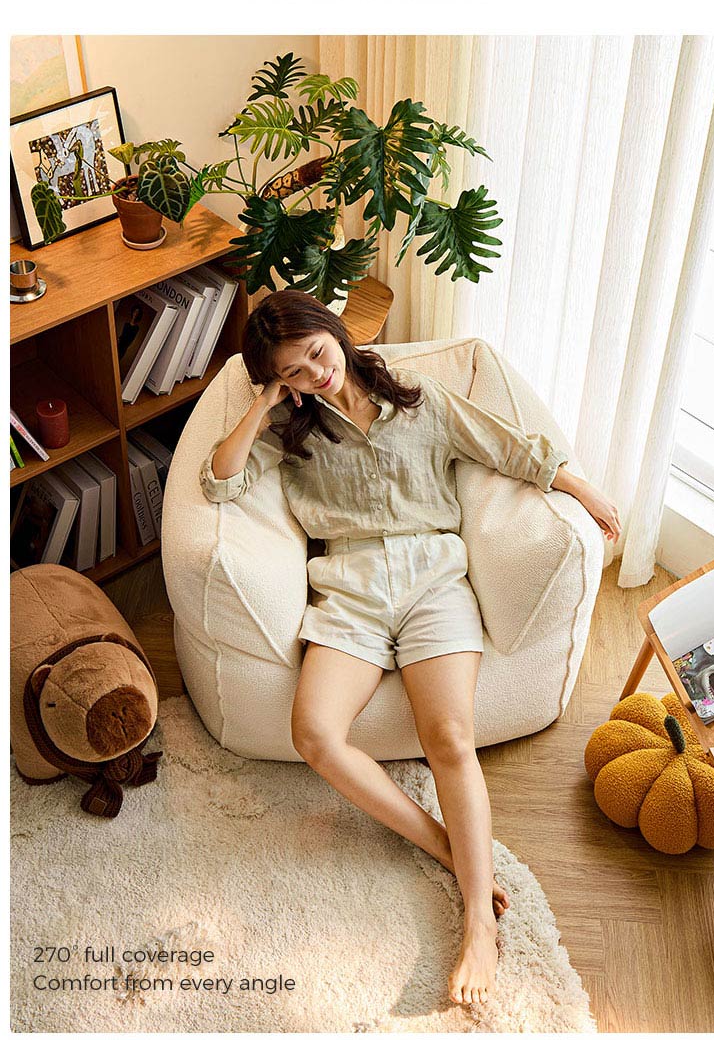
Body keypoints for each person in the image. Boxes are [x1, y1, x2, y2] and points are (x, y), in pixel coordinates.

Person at [199, 288, 621, 1007]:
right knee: (314, 734)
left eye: (316, 353)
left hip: (434, 580)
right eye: (293, 372)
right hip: (351, 591)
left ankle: (478, 927)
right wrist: (263, 404)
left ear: (334, 332)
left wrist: (580, 487)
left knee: (448, 736)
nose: (315, 373)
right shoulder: (289, 433)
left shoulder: (419, 399)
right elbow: (218, 482)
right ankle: (448, 849)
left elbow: (504, 444)